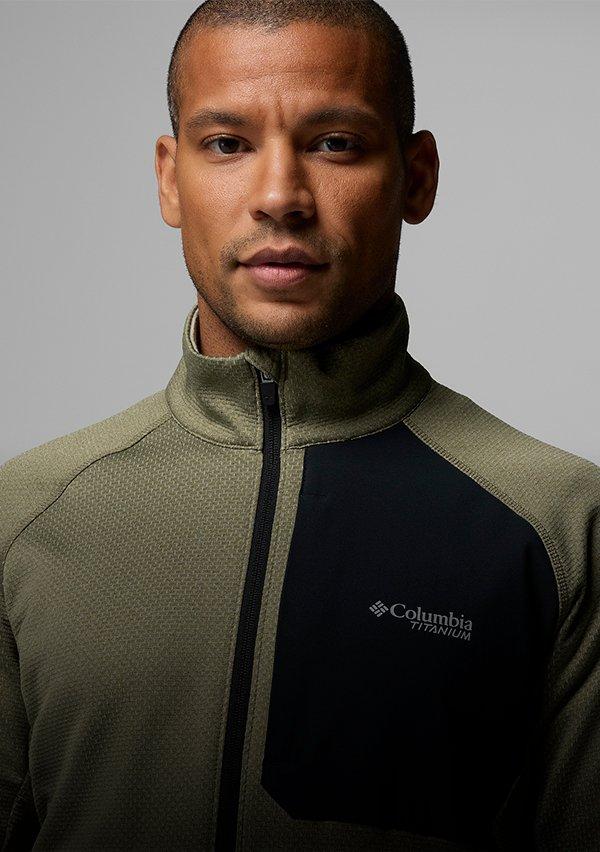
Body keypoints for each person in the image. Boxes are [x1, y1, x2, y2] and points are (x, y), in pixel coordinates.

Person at [1, 0, 598, 850]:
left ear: (417, 177)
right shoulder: (22, 518)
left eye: (335, 143)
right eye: (227, 144)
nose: (280, 197)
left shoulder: (563, 527)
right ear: (170, 178)